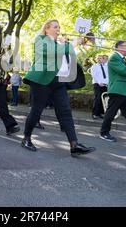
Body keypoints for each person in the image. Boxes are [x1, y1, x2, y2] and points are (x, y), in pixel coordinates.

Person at [21, 19, 95, 157]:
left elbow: (69, 58)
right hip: (42, 80)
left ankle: (74, 145)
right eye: (55, 27)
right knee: (36, 111)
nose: (58, 29)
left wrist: (75, 45)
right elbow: (50, 53)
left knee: (66, 112)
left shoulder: (59, 44)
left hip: (59, 82)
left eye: (59, 27)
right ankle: (26, 138)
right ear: (46, 29)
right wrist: (71, 44)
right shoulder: (41, 39)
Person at [91, 54, 109, 119]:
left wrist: (108, 83)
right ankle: (95, 114)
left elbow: (108, 76)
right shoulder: (94, 66)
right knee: (98, 98)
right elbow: (94, 75)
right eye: (98, 58)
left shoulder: (106, 67)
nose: (99, 59)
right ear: (96, 59)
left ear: (103, 59)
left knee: (104, 99)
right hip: (97, 84)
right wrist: (99, 82)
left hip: (105, 85)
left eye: (101, 58)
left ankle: (101, 113)